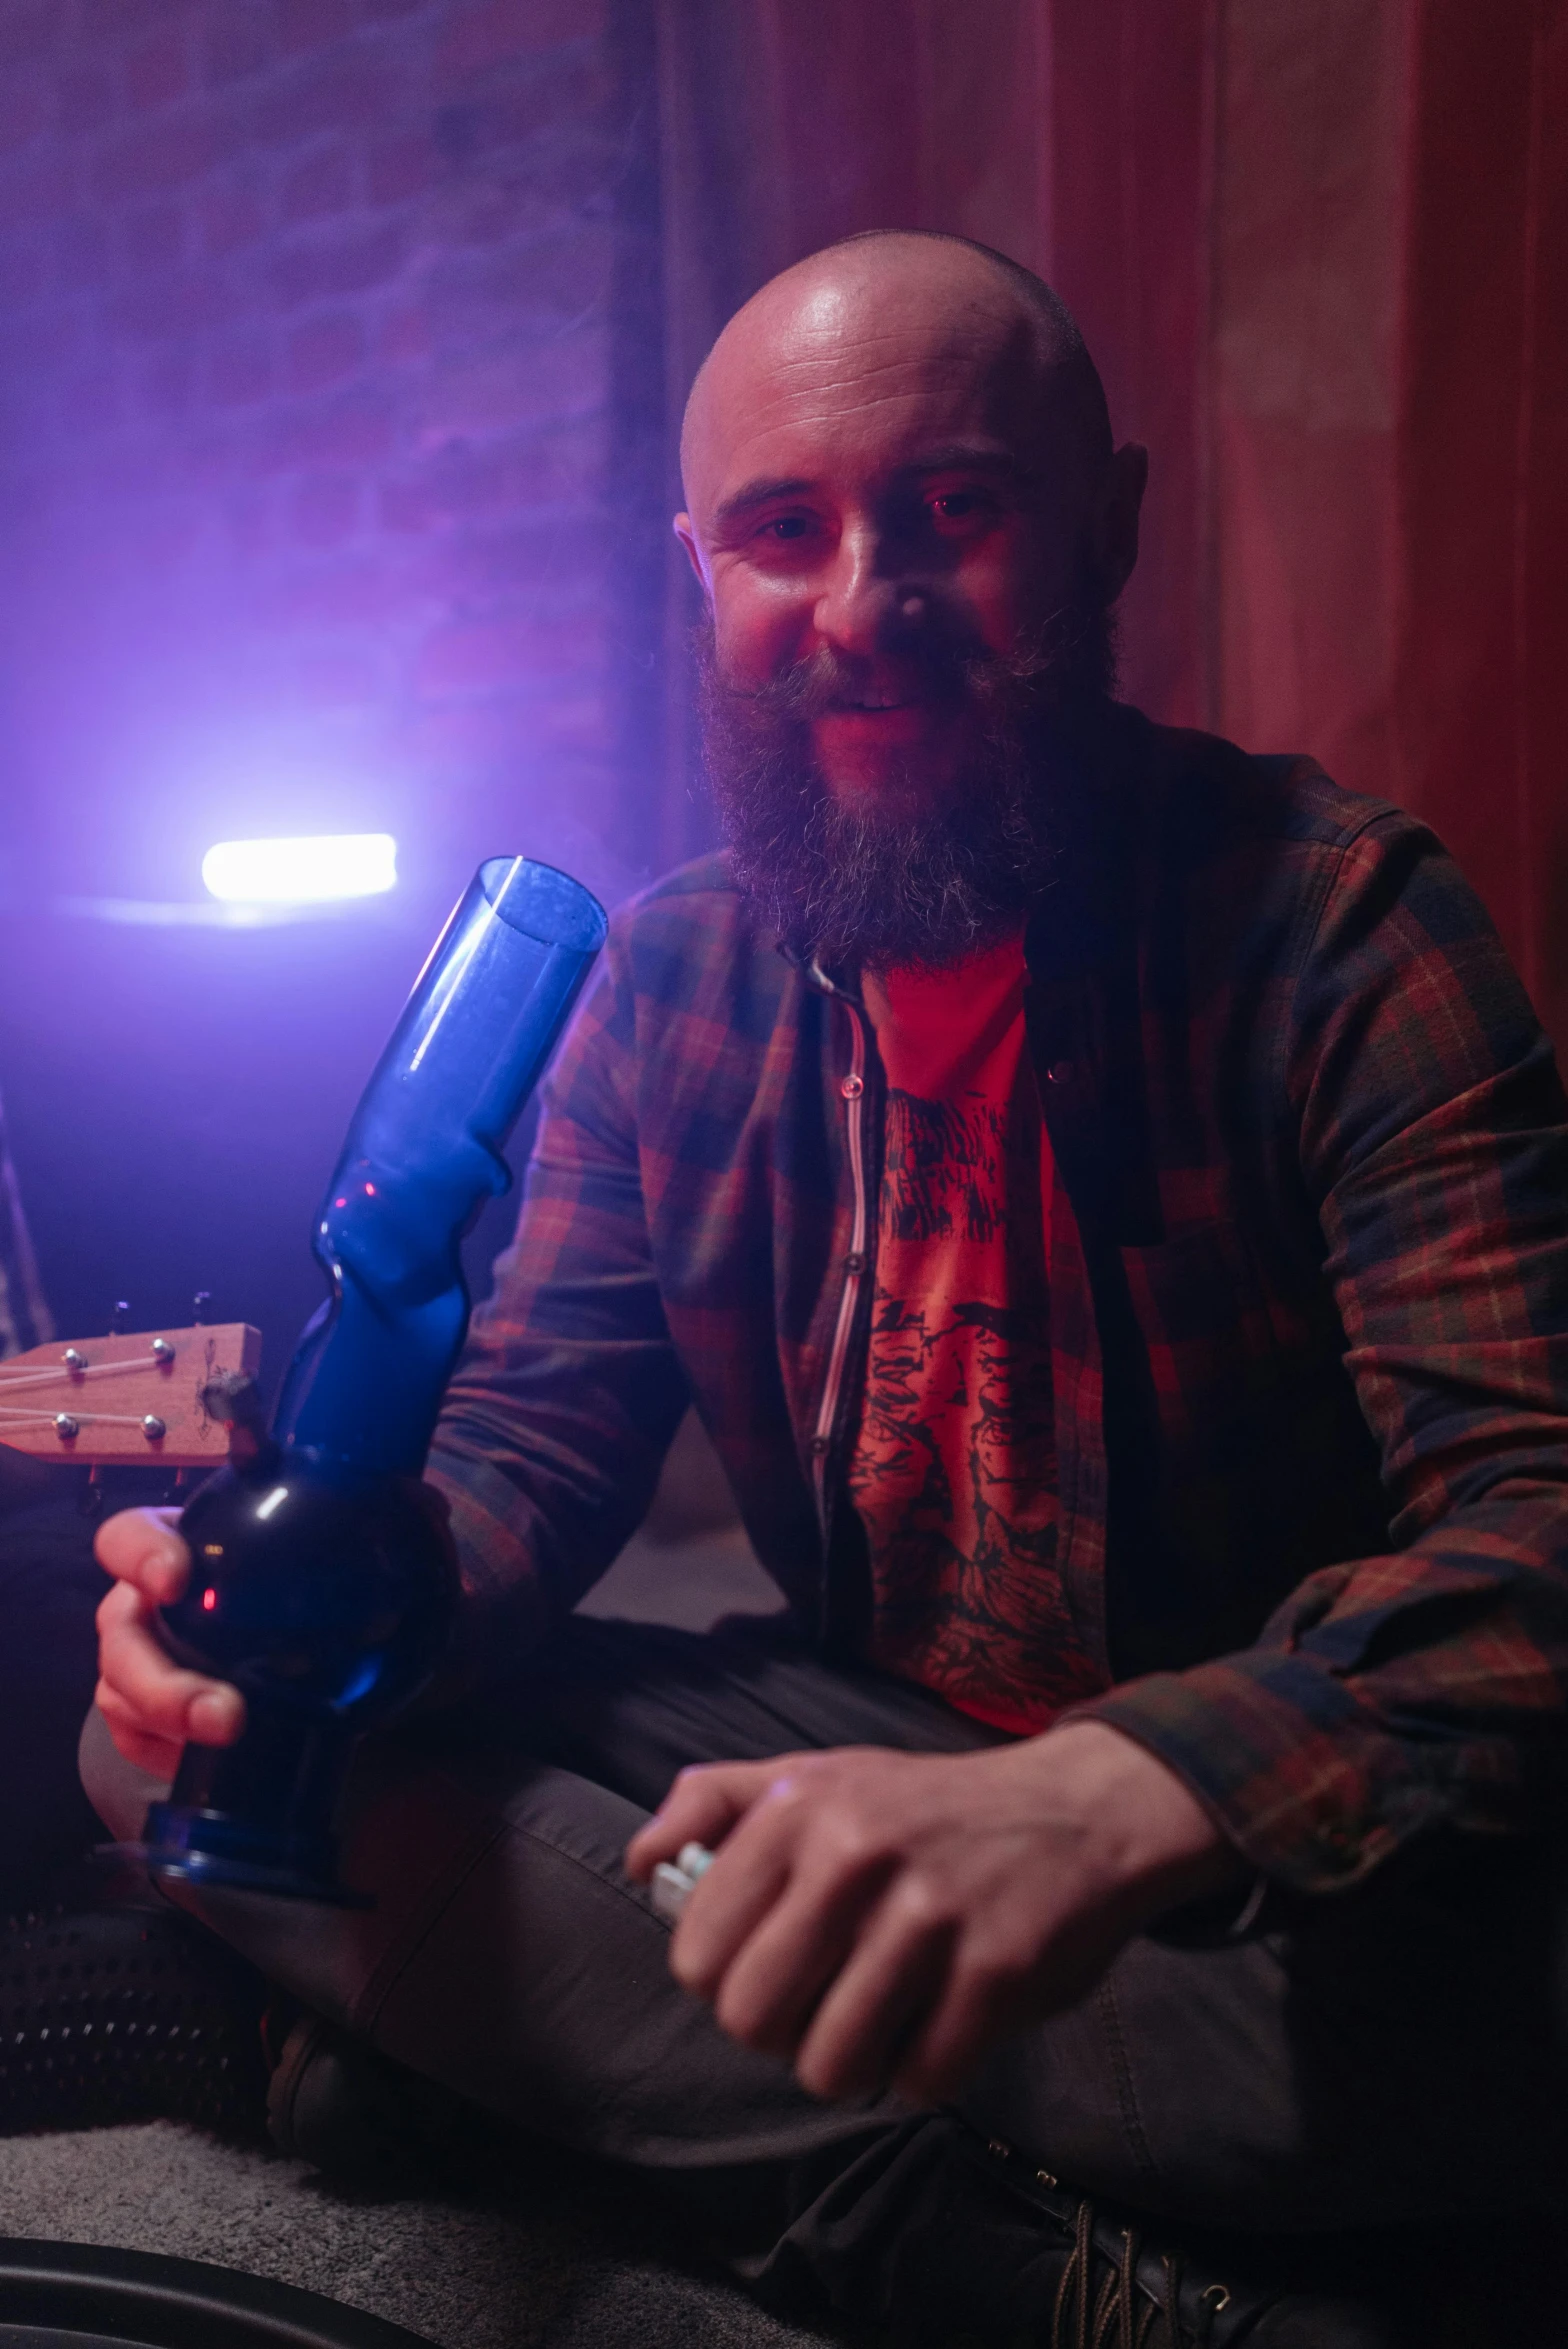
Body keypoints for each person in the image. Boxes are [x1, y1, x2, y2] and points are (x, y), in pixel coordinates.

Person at [82, 233, 1568, 2345]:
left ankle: (581, 2077)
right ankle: (1000, 2250)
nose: (864, 607)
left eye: (954, 509)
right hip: (842, 1782)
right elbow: (525, 1447)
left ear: (1106, 527)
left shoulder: (1342, 930)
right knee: (167, 1753)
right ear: (704, 570)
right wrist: (320, 1606)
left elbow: (1539, 1536)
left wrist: (1115, 1791)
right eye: (786, 532)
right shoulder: (669, 976)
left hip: (1267, 1880)